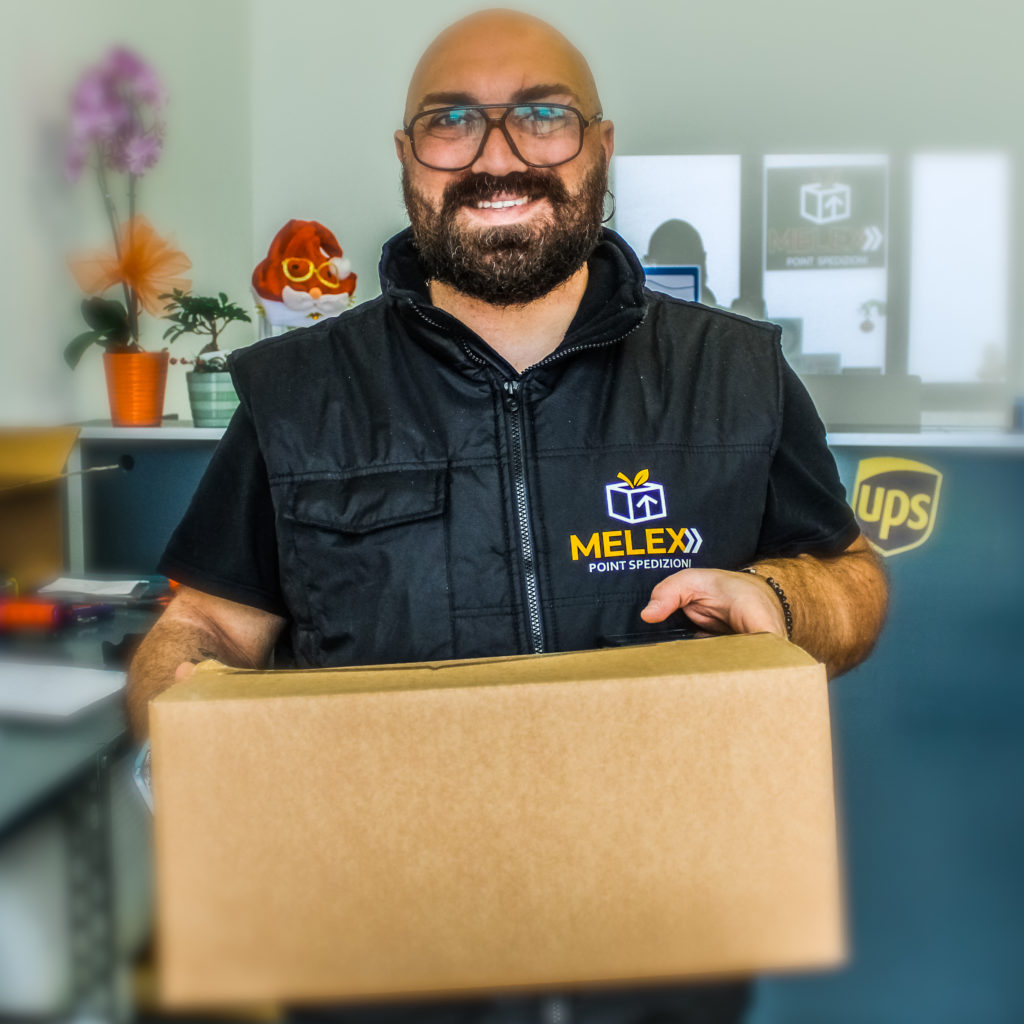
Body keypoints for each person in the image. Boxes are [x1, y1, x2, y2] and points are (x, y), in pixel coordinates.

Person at [128, 9, 888, 1022]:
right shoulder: (297, 392)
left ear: (601, 145)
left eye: (542, 116)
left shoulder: (735, 372)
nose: (496, 157)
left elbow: (851, 577)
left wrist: (784, 604)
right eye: (450, 121)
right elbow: (206, 624)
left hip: (661, 966)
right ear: (407, 157)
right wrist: (182, 717)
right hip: (383, 973)